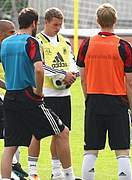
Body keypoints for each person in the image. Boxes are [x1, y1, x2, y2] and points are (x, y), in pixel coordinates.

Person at [0, 8, 76, 180]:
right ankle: (68, 176)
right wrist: (39, 92)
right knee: (62, 132)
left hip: (11, 98)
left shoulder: (5, 43)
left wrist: (7, 86)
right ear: (34, 23)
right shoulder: (32, 42)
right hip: (28, 97)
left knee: (10, 146)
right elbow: (39, 69)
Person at [76, 3, 132, 180]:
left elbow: (83, 77)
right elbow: (130, 81)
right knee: (122, 151)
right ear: (115, 20)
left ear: (97, 21)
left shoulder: (86, 44)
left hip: (94, 100)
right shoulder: (123, 46)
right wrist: (130, 109)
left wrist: (89, 99)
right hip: (118, 102)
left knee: (91, 149)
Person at [26, 8, 78, 180]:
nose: (58, 28)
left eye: (60, 25)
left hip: (64, 95)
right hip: (45, 95)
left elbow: (73, 63)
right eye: (55, 24)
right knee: (38, 133)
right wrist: (62, 75)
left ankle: (56, 172)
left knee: (61, 133)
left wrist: (72, 75)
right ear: (46, 22)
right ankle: (32, 170)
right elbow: (40, 66)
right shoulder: (37, 42)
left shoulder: (65, 42)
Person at [0, 19, 29, 179]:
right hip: (8, 96)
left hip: (7, 97)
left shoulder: (7, 48)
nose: (14, 34)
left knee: (12, 133)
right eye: (11, 32)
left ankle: (14, 167)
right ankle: (13, 168)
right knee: (12, 133)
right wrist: (10, 86)